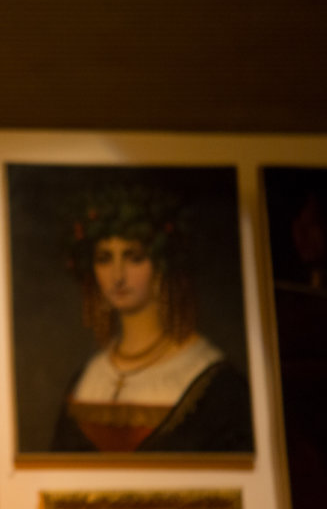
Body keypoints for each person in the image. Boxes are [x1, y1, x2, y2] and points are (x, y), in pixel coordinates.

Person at [51, 183, 253, 452]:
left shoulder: (214, 381)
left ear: (162, 264)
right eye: (104, 258)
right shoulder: (87, 378)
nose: (118, 275)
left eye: (134, 257)